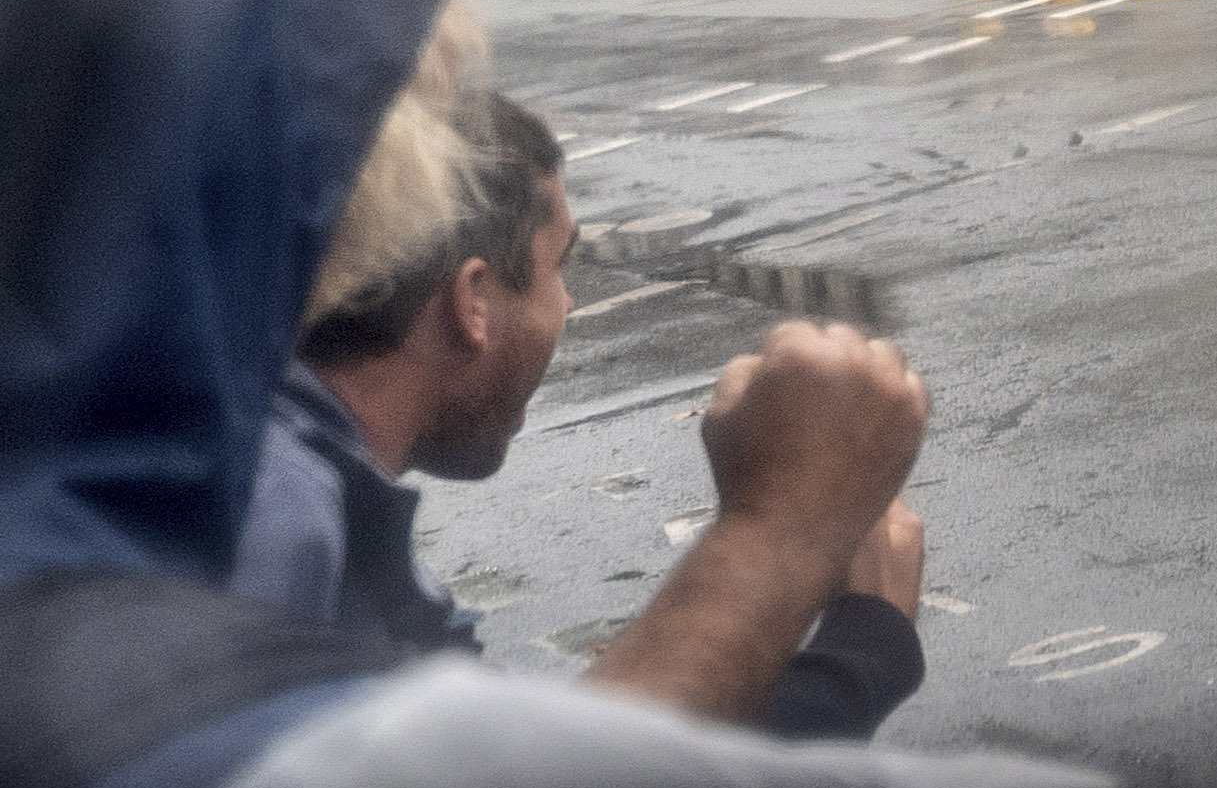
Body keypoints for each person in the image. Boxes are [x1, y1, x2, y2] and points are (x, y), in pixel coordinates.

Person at [0, 0, 1113, 788]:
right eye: (374, 48)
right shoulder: (232, 517)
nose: (423, 92)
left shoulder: (196, 459)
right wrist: (783, 537)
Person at [238, 85, 934, 739]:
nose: (566, 304)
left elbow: (509, 775)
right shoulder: (274, 519)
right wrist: (786, 544)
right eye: (557, 267)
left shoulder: (280, 466)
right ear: (471, 299)